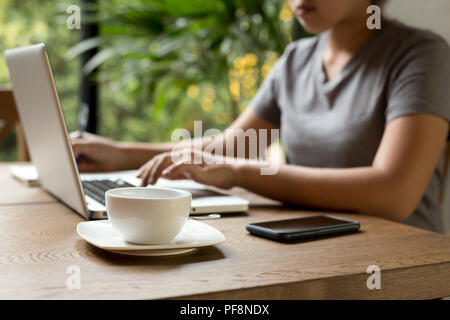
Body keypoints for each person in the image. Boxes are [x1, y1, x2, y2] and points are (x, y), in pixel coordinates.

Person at [71, 0, 450, 233]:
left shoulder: (421, 55)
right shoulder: (297, 60)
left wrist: (238, 171)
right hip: (315, 243)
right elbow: (229, 146)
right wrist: (120, 152)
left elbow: (393, 195)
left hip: (403, 266)